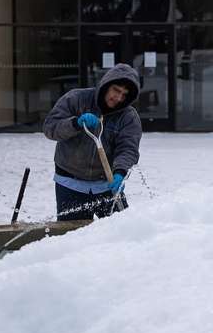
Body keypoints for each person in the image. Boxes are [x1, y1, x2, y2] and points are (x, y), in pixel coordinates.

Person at [43, 63, 142, 221]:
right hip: (70, 182)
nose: (118, 98)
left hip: (107, 183)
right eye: (116, 90)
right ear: (106, 85)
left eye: (124, 95)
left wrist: (120, 172)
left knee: (121, 232)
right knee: (71, 235)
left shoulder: (128, 117)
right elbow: (50, 129)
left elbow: (128, 149)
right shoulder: (76, 99)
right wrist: (75, 123)